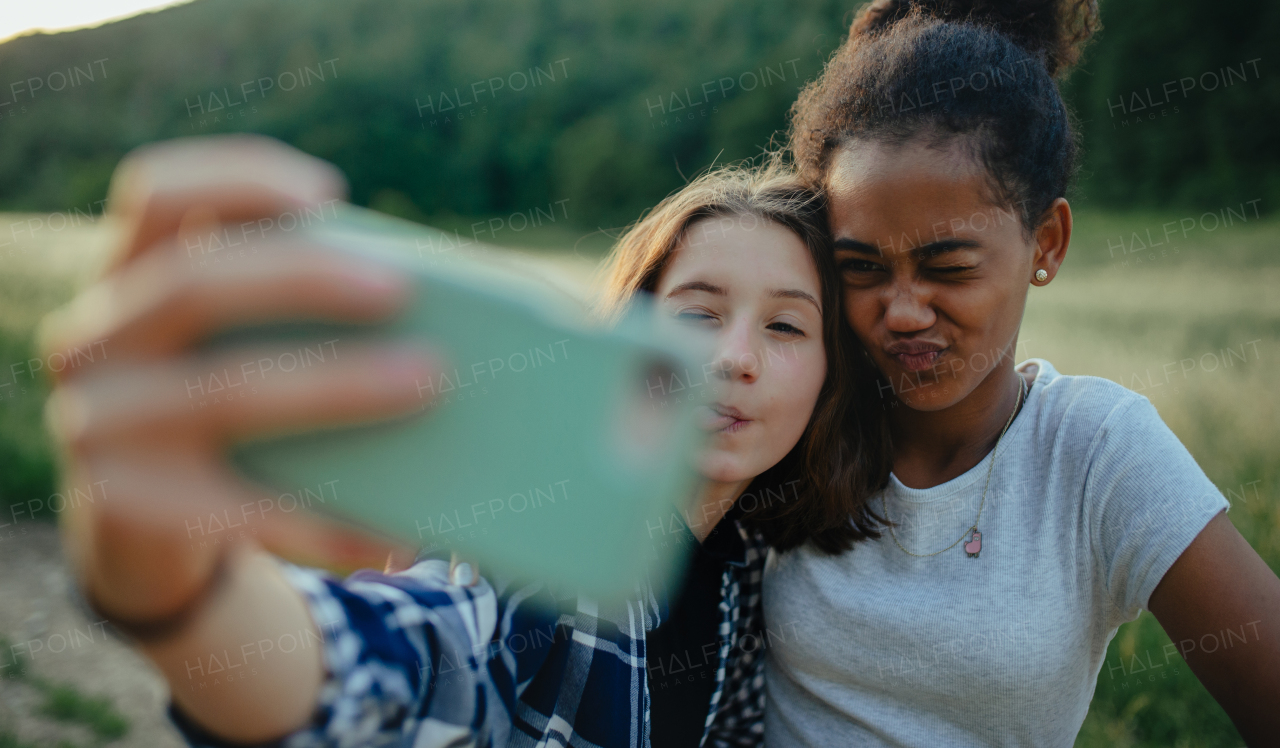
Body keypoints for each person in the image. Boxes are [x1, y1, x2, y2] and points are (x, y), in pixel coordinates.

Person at [39, 138, 887, 747]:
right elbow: (416, 660)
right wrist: (184, 602)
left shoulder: (746, 567)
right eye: (697, 317)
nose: (733, 360)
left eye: (784, 326)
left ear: (826, 375)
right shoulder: (544, 550)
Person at [763, 0, 1280, 746]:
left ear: (1046, 245)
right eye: (861, 268)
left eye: (947, 266)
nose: (901, 311)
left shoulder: (1096, 453)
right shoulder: (790, 414)